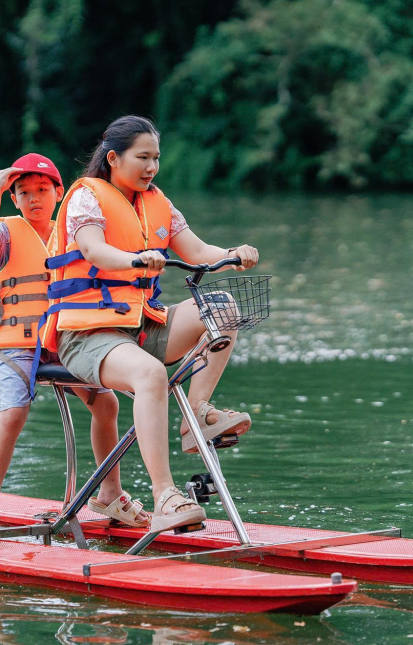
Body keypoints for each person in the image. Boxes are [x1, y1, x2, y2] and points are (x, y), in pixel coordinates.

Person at [42, 116, 259, 533]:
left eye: (156, 158)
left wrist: (233, 252)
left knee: (224, 308)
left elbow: (196, 250)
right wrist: (136, 260)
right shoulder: (86, 197)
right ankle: (166, 496)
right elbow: (94, 249)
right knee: (150, 372)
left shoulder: (157, 201)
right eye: (142, 157)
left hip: (142, 325)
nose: (151, 167)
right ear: (113, 158)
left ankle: (196, 416)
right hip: (87, 333)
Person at [0, 153, 149, 539]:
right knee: (13, 413)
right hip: (17, 345)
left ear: (59, 192)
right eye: (24, 193)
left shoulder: (74, 230)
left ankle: (109, 494)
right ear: (14, 199)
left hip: (65, 339)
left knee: (106, 403)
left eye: (42, 190)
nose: (34, 198)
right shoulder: (6, 234)